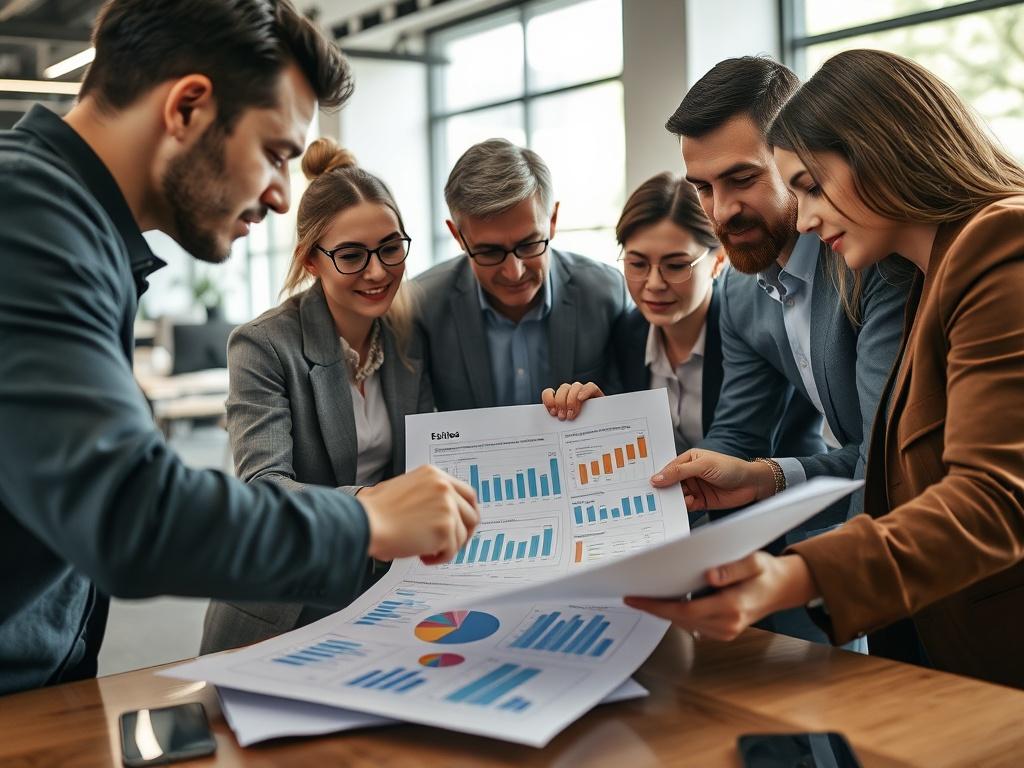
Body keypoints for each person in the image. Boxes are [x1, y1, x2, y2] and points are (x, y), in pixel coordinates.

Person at [0, 0, 477, 697]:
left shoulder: (70, 225)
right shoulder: (30, 222)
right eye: (275, 153)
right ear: (188, 107)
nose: (284, 197)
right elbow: (132, 516)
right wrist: (368, 518)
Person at [627, 49, 1024, 689]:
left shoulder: (987, 245)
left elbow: (988, 497)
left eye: (810, 185)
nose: (807, 218)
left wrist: (793, 574)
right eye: (704, 188)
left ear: (880, 152)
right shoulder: (926, 267)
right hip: (939, 618)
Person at [553, 57, 909, 644]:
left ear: (797, 161)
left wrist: (799, 563)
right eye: (703, 187)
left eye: (741, 179)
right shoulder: (741, 290)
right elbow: (738, 441)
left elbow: (882, 461)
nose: (720, 211)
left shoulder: (866, 261)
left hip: (890, 551)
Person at [201, 140, 434, 653]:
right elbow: (265, 487)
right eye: (351, 255)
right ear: (311, 260)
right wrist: (371, 504)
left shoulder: (408, 338)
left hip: (386, 596)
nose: (377, 272)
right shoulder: (264, 345)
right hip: (288, 603)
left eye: (390, 247)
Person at [414, 138, 629, 411]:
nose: (514, 272)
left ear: (552, 221)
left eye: (529, 245)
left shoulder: (607, 294)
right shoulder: (422, 306)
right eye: (489, 252)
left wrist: (606, 412)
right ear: (458, 236)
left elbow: (630, 401)